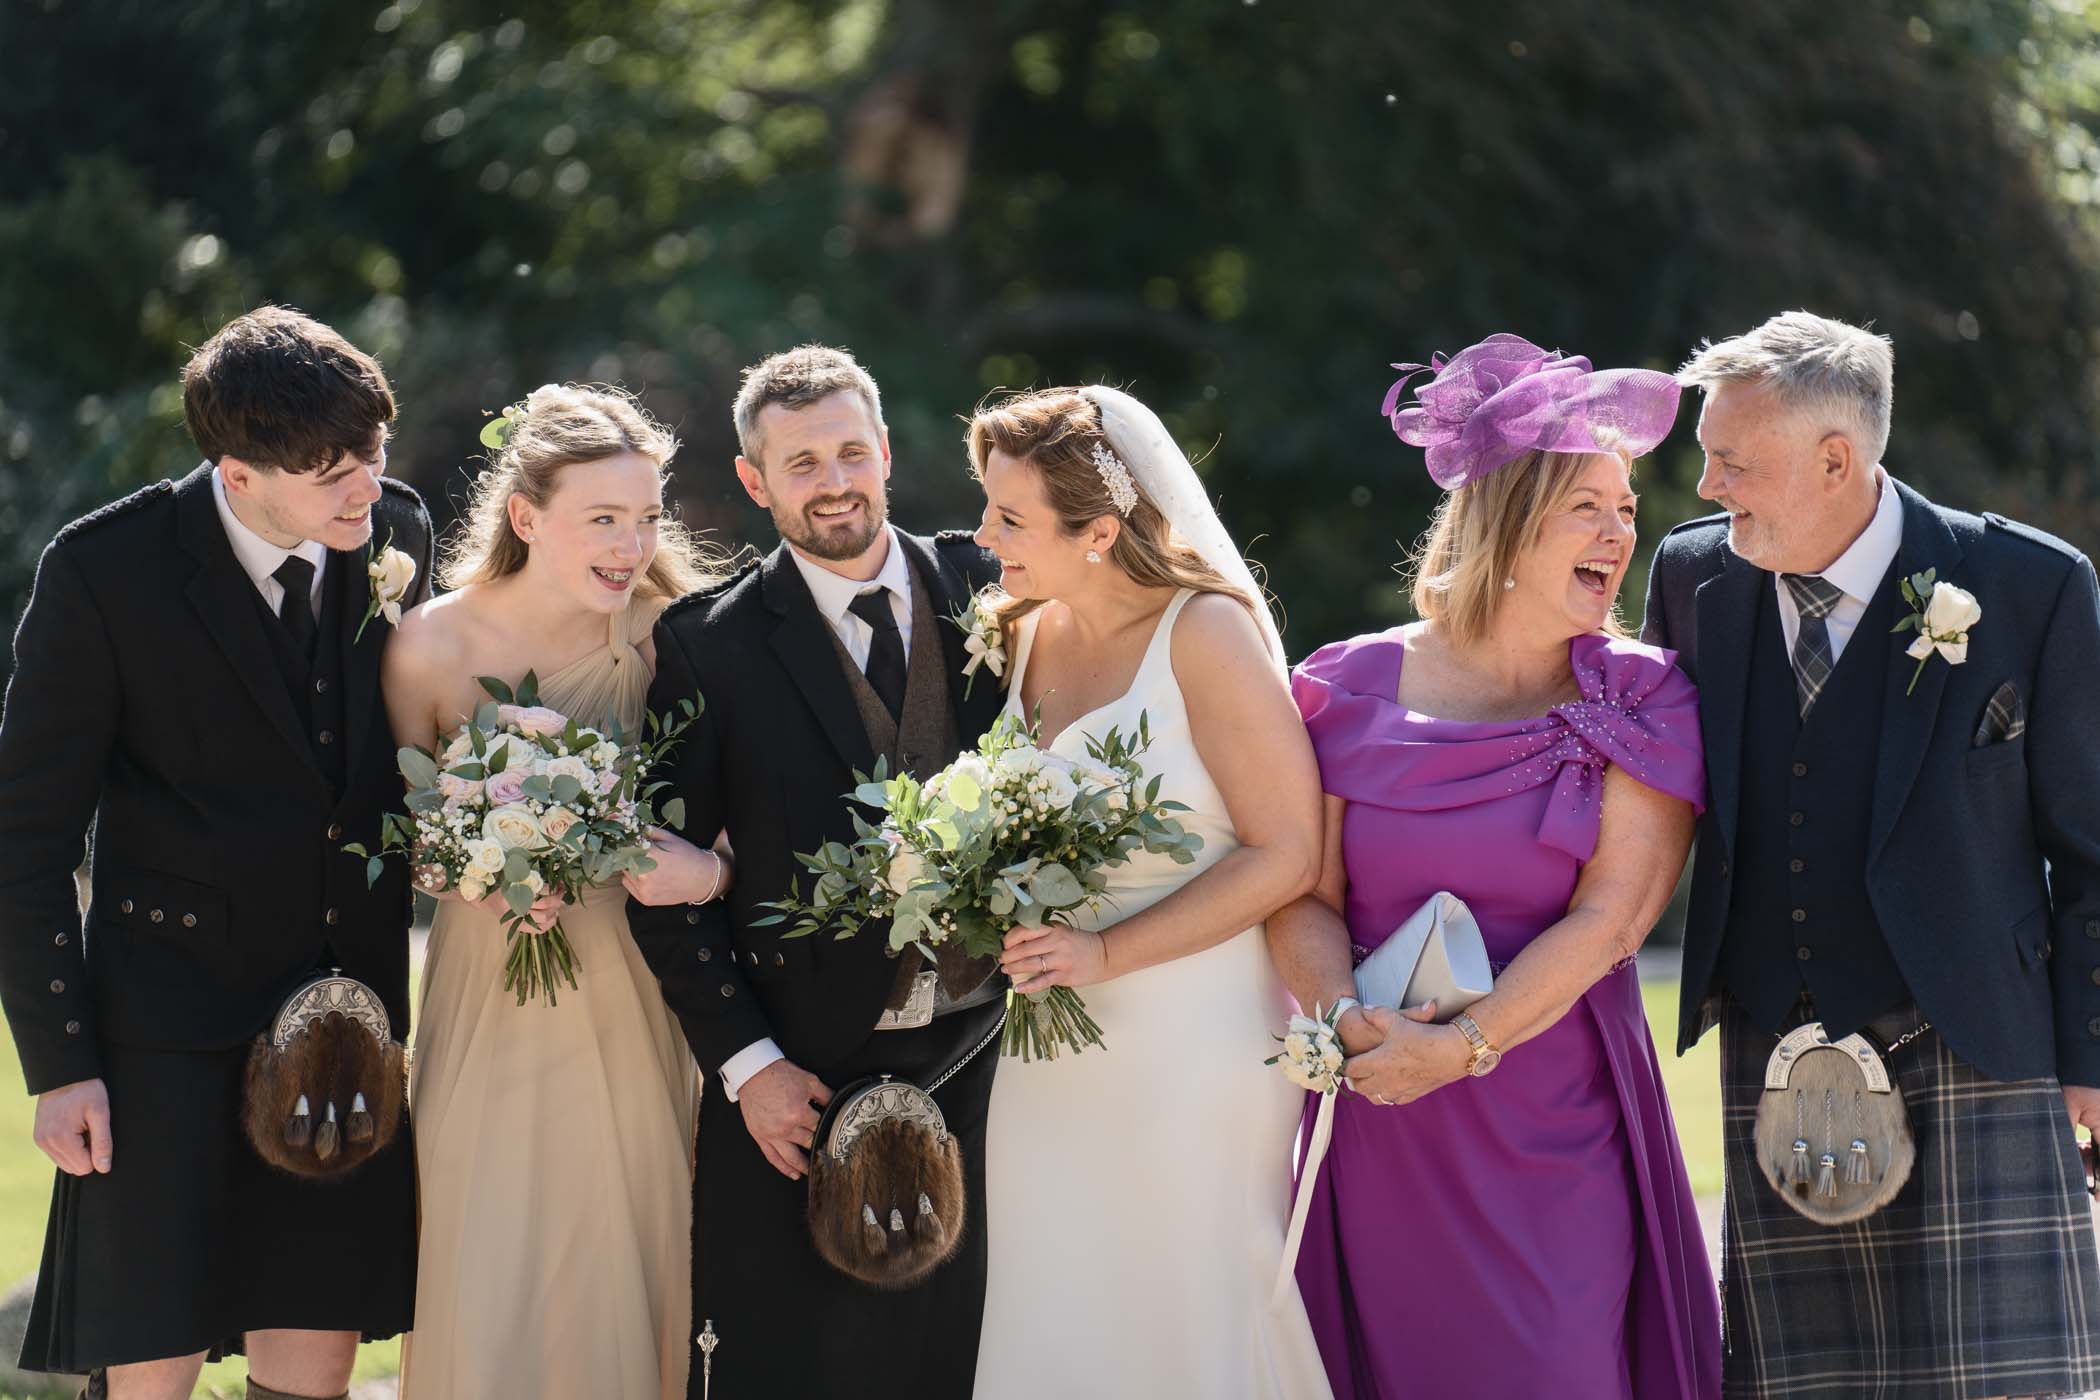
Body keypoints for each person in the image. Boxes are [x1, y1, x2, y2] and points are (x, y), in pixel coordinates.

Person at [1646, 309, 2100, 1398]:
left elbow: (2091, 848)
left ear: (1836, 458)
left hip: (1982, 1043)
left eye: (1731, 460)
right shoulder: (1690, 581)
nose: (1706, 486)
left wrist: (2093, 1055)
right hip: (1776, 1040)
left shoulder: (2032, 587)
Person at [1269, 334, 1720, 1398]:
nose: (1620, 534)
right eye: (1589, 508)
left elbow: (1613, 916)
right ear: (1510, 525)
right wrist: (1348, 1023)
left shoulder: (1644, 696)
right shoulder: (1348, 683)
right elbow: (1302, 893)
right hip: (1383, 1118)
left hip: (1553, 1119)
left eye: (1626, 510)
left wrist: (1466, 1043)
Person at [0, 306, 431, 1400]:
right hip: (163, 1030)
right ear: (237, 472)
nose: (365, 489)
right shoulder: (106, 570)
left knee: (317, 1354)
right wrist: (61, 1063)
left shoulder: (400, 533)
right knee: (152, 1364)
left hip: (344, 1021)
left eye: (373, 453)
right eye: (332, 470)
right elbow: (27, 834)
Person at [628, 345, 1008, 1399]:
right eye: (801, 462)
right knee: (788, 1366)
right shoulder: (708, 644)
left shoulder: (996, 588)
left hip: (991, 1059)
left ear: (886, 451)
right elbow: (666, 886)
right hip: (800, 1074)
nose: (834, 479)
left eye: (850, 450)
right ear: (755, 480)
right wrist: (748, 1067)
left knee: (965, 1358)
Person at [966, 386, 1333, 1398]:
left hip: (1192, 1034)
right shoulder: (1025, 633)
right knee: (1057, 1290)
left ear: (1097, 532)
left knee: (1184, 1288)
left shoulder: (1205, 632)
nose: (983, 534)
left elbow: (1288, 852)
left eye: (1009, 518)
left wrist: (1106, 954)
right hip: (1049, 1036)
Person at [380, 383, 730, 1398]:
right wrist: (469, 861)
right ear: (526, 517)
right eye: (604, 518)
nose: (632, 543)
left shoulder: (679, 636)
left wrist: (709, 870)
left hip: (638, 987)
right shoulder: (431, 644)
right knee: (482, 1254)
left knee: (626, 1250)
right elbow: (395, 831)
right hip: (486, 988)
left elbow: (745, 822)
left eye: (648, 517)